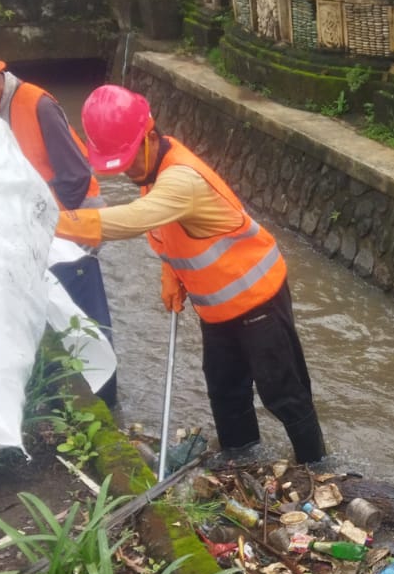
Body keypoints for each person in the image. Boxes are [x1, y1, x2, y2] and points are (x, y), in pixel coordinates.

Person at [53, 84, 326, 465]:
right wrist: (171, 270)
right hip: (216, 308)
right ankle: (240, 462)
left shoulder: (181, 179)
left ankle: (318, 469)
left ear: (150, 136)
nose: (128, 170)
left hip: (257, 298)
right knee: (225, 392)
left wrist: (52, 220)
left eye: (130, 159)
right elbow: (170, 230)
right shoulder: (153, 172)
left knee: (283, 393)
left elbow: (133, 220)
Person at [0, 42, 117, 406]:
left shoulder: (38, 104)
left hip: (74, 222)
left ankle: (107, 398)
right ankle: (67, 387)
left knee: (86, 314)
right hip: (34, 226)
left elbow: (76, 175)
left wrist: (34, 218)